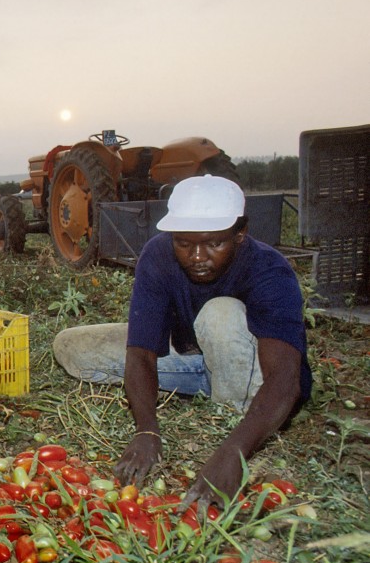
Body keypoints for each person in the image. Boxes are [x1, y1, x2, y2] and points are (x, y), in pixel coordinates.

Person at [52, 174, 312, 509]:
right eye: (184, 244)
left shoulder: (268, 269)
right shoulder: (158, 255)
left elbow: (286, 378)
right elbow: (141, 351)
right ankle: (203, 384)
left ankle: (238, 411)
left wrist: (233, 453)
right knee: (71, 346)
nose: (198, 256)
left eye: (214, 243)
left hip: (254, 371)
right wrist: (147, 430)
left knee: (219, 314)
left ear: (240, 233)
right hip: (191, 355)